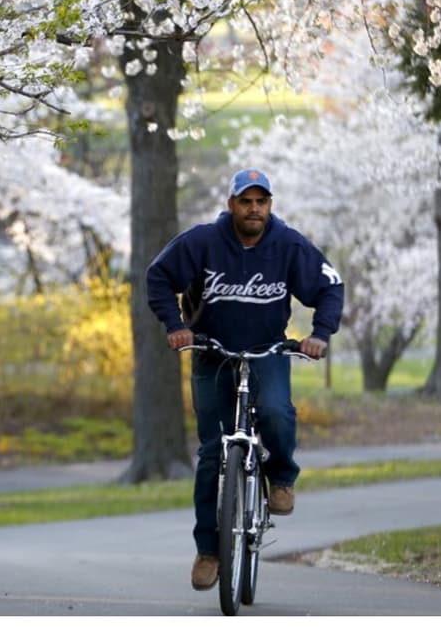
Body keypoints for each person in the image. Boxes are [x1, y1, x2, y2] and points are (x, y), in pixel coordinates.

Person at [146, 168, 344, 592]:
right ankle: (208, 551)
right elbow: (158, 276)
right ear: (231, 204)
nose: (254, 209)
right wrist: (175, 325)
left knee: (275, 412)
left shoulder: (288, 245)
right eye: (245, 201)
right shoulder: (202, 242)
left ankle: (282, 477)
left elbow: (330, 286)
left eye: (261, 201)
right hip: (211, 352)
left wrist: (320, 334)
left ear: (269, 204)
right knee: (212, 453)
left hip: (266, 350)